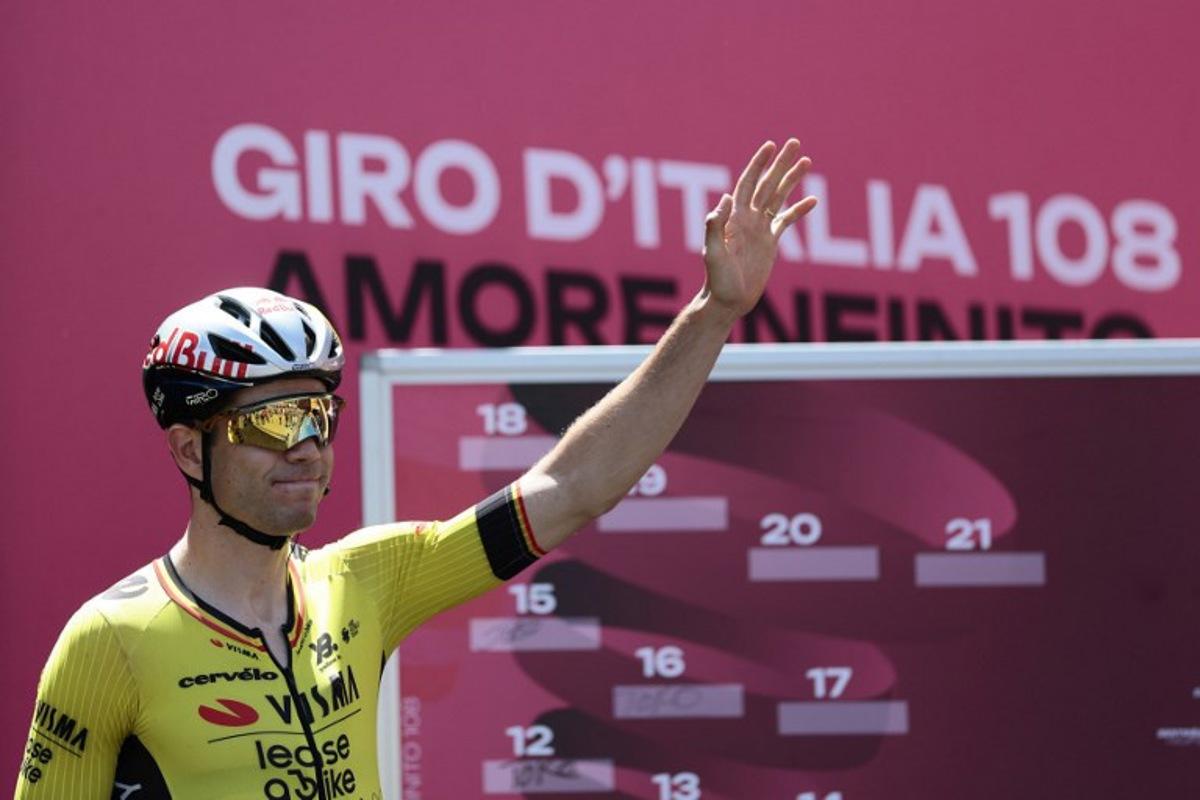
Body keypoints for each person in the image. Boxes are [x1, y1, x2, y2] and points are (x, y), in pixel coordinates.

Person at [14, 139, 816, 799]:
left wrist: (714, 315)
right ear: (192, 449)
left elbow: (571, 490)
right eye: (271, 419)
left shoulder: (363, 581)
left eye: (319, 415)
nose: (306, 444)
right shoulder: (109, 640)